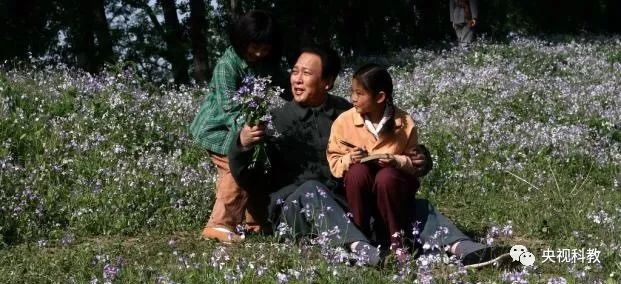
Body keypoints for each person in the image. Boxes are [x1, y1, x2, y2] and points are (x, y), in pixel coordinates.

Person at [230, 46, 507, 268]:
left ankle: (464, 248)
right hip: (297, 211)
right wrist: (242, 145)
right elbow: (247, 176)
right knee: (311, 190)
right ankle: (362, 249)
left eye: (306, 73)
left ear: (327, 82)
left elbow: (394, 141)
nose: (296, 79)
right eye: (294, 72)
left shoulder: (348, 112)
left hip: (347, 204)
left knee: (413, 204)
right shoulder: (275, 120)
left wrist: (421, 160)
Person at [189, 10, 287, 244]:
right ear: (241, 41)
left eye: (265, 47)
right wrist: (244, 133)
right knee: (236, 167)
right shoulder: (227, 66)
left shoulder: (267, 64)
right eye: (254, 46)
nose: (259, 52)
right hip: (218, 129)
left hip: (249, 128)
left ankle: (256, 223)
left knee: (258, 167)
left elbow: (286, 86)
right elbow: (228, 109)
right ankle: (219, 224)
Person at [326, 64, 421, 251]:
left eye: (360, 94)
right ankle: (360, 240)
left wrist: (395, 161)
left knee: (386, 177)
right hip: (359, 190)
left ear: (380, 97)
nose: (353, 98)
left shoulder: (404, 122)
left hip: (394, 191)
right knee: (357, 172)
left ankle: (397, 242)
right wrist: (350, 158)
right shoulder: (344, 121)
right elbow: (334, 162)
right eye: (352, 92)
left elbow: (415, 164)